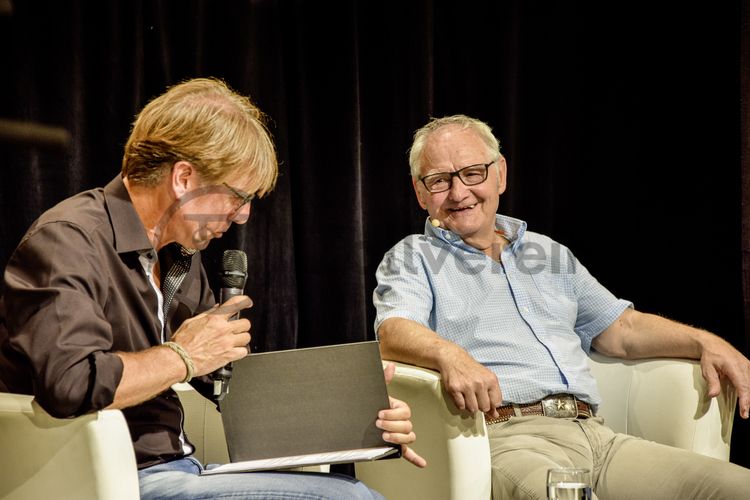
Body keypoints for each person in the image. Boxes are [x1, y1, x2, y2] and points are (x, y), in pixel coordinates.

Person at [0, 77, 425, 500]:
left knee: (348, 488)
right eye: (238, 197)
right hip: (108, 480)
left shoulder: (178, 254)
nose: (242, 217)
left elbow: (227, 384)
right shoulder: (67, 241)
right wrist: (181, 355)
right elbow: (71, 384)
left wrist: (357, 414)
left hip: (179, 468)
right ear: (184, 177)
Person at [373, 114, 750, 499]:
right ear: (421, 193)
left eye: (473, 173)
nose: (458, 192)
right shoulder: (412, 257)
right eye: (439, 180)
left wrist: (705, 342)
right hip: (506, 440)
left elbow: (622, 330)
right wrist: (449, 354)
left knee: (737, 488)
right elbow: (393, 329)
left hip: (598, 437)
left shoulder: (548, 253)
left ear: (500, 174)